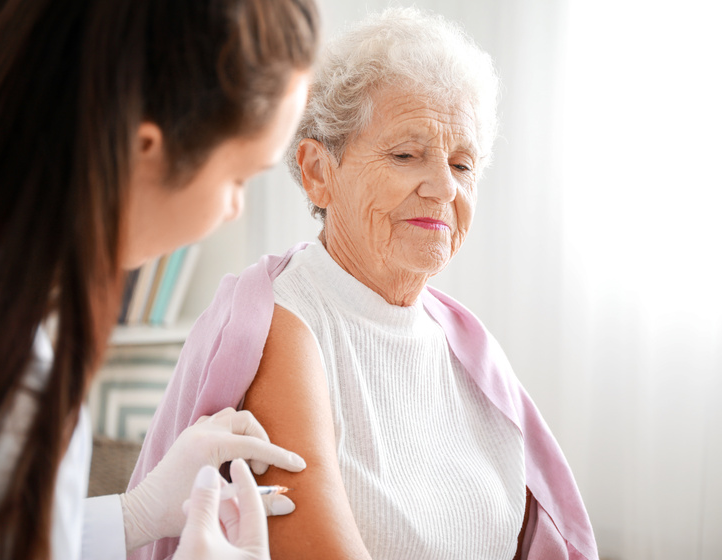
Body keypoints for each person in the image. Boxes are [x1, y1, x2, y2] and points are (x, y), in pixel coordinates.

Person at [130, 7, 599, 560]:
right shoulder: (284, 326)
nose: (445, 188)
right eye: (406, 154)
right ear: (318, 173)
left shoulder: (472, 353)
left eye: (464, 164)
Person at [0, 0, 319, 558]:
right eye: (239, 177)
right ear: (141, 151)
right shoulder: (10, 382)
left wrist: (135, 514)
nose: (236, 209)